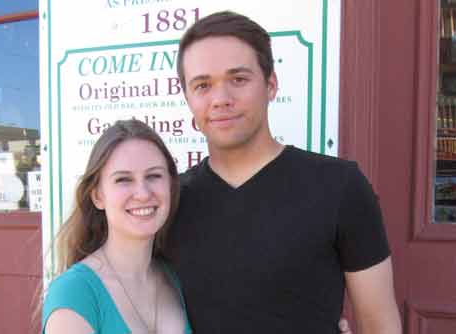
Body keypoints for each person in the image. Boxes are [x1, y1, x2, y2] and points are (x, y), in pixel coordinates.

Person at [164, 10, 402, 333]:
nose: (221, 99)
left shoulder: (339, 188)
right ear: (188, 98)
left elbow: (380, 325)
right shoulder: (170, 202)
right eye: (203, 85)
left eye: (238, 79)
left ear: (271, 85)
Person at [41, 120, 192, 333]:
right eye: (123, 179)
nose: (143, 193)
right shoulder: (75, 292)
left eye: (154, 176)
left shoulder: (172, 277)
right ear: (97, 196)